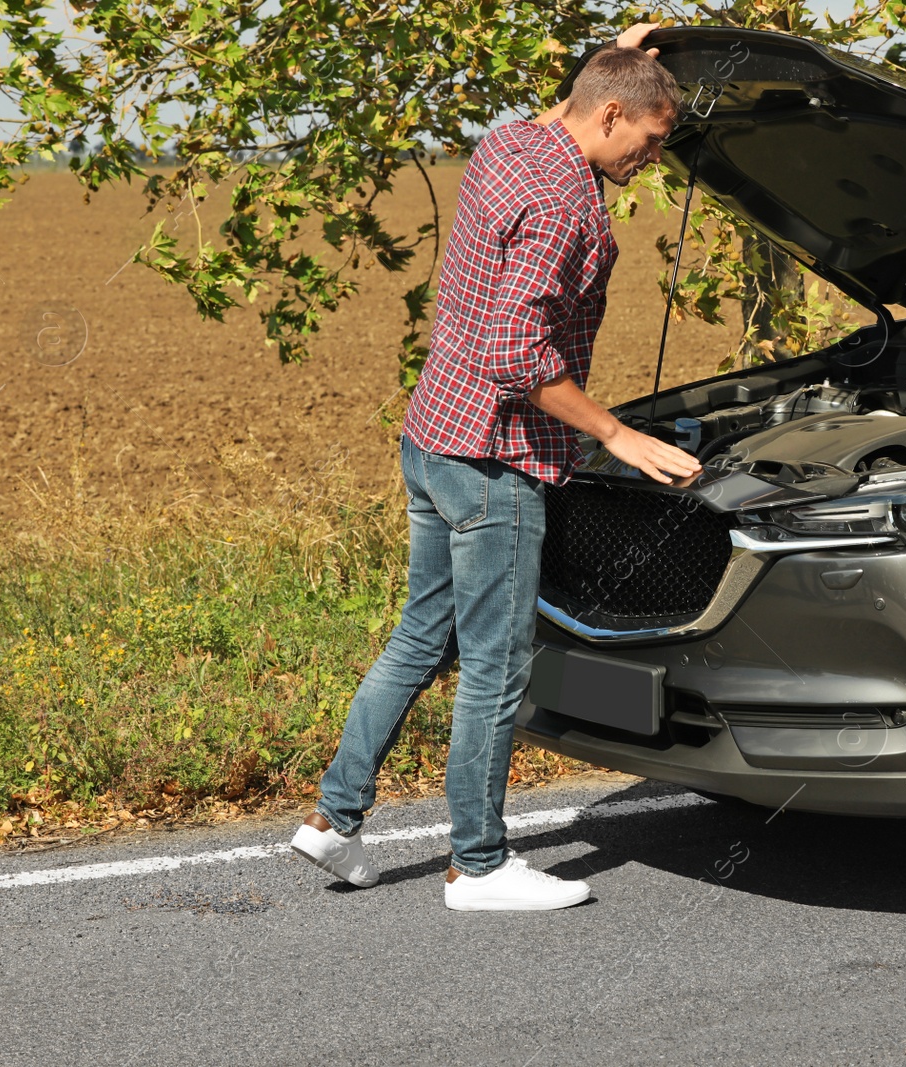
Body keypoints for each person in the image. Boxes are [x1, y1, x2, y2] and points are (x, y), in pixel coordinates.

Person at [290, 31, 701, 910]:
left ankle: (332, 822)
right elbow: (520, 351)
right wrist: (617, 435)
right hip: (495, 463)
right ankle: (477, 866)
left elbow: (571, 98)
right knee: (495, 668)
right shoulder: (564, 202)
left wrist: (615, 49)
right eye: (652, 139)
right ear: (611, 113)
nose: (653, 158)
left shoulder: (512, 143)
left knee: (418, 638)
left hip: (433, 435)